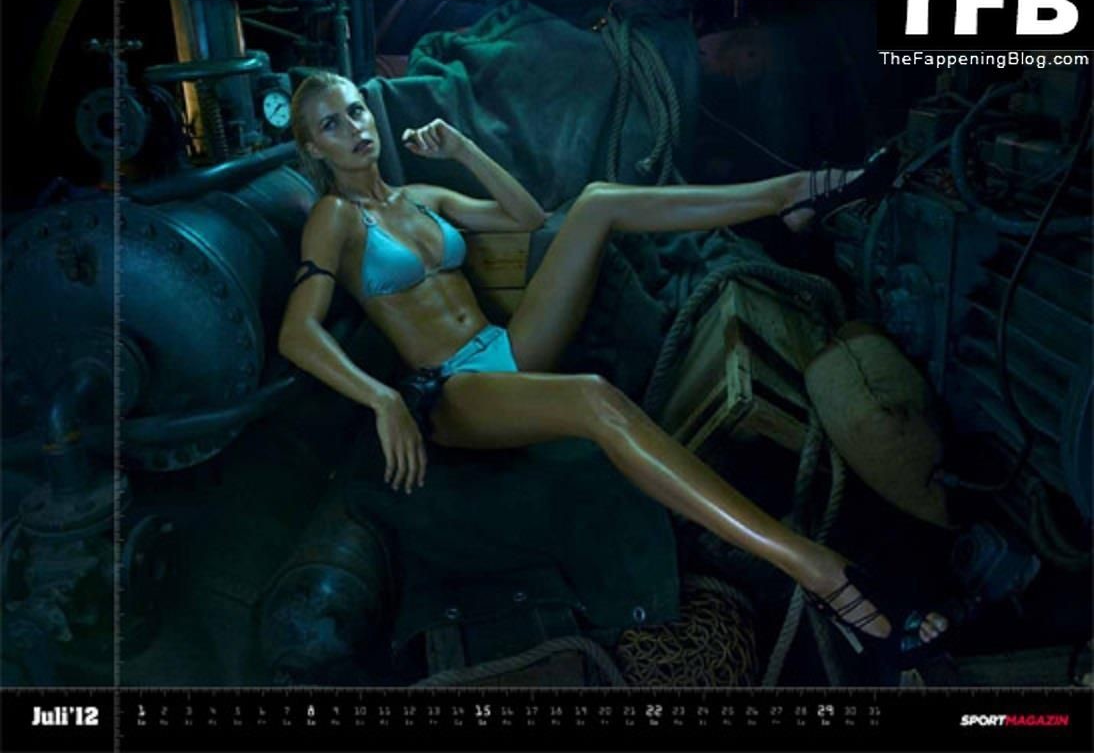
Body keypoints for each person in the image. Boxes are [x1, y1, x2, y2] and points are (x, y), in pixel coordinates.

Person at [277, 71, 948, 669]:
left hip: (504, 349)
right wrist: (383, 399)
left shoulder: (419, 195)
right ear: (313, 148)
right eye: (332, 125)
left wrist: (461, 149)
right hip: (454, 392)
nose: (354, 129)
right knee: (595, 399)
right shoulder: (335, 217)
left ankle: (794, 193)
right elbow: (297, 333)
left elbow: (528, 217)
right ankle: (821, 573)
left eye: (357, 110)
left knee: (596, 201)